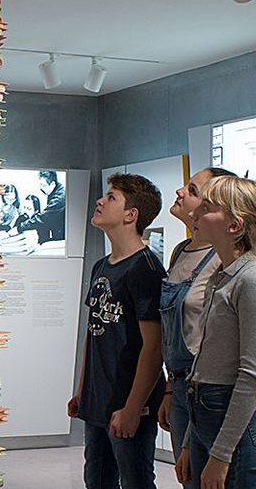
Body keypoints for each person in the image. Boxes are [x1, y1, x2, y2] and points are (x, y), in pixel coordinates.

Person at [177, 175, 256, 489]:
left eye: (207, 207)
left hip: (233, 426)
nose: (195, 213)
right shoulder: (222, 275)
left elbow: (252, 374)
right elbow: (204, 362)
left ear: (234, 225)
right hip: (206, 415)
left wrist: (221, 455)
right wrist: (188, 442)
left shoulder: (253, 279)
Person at [68, 173, 167, 488]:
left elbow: (154, 347)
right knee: (96, 480)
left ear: (131, 215)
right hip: (98, 400)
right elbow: (93, 330)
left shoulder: (145, 269)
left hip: (129, 402)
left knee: (136, 481)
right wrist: (83, 389)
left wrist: (134, 407)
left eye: (111, 197)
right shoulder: (101, 266)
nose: (100, 201)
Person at [156, 167, 236, 489]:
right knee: (187, 480)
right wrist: (168, 388)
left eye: (191, 189)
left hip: (207, 388)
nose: (179, 192)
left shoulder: (223, 259)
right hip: (178, 385)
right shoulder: (179, 252)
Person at [16, 170, 66, 243]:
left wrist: (20, 227)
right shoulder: (55, 190)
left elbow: (43, 218)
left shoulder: (59, 199)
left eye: (43, 185)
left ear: (52, 184)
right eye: (40, 184)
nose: (40, 188)